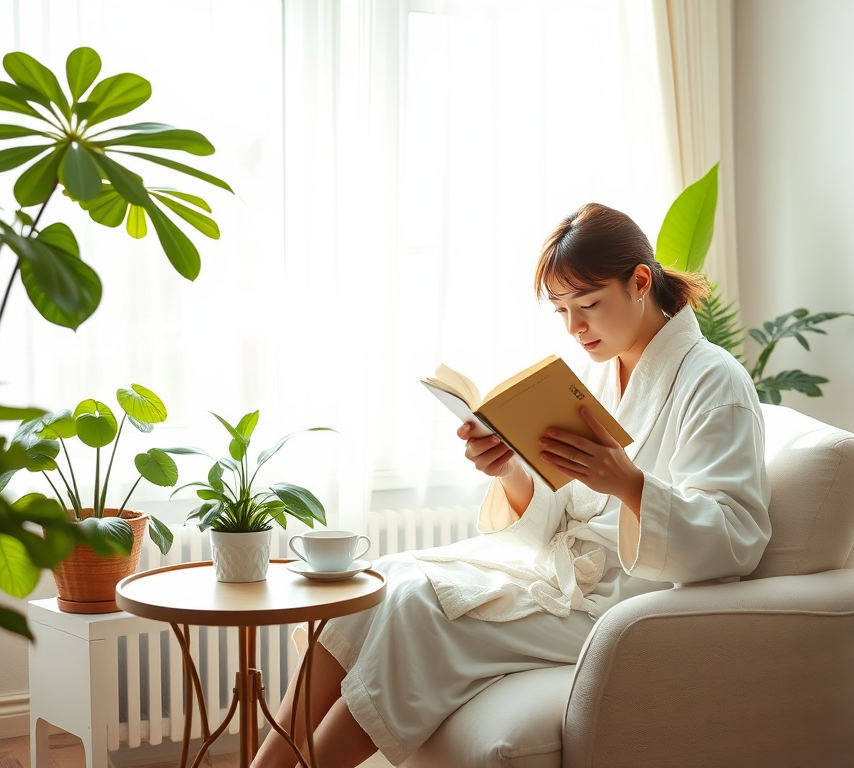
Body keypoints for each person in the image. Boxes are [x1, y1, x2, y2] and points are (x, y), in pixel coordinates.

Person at [252, 203, 771, 768]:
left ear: (640, 281)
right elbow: (563, 505)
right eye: (562, 310)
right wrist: (511, 470)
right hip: (560, 570)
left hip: (624, 602)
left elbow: (737, 536)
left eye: (590, 305)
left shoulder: (714, 380)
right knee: (386, 581)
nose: (576, 328)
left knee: (420, 611)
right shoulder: (599, 372)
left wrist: (630, 485)